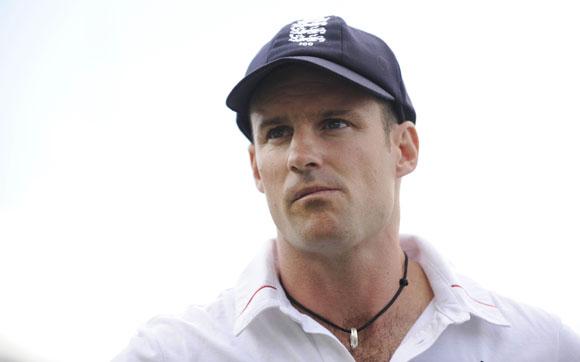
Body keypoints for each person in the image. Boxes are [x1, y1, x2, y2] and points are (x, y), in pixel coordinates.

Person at [113, 16, 580, 361]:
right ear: (256, 167)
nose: (301, 155)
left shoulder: (538, 347)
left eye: (334, 122)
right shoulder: (175, 353)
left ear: (404, 149)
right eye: (276, 132)